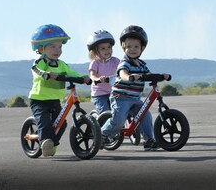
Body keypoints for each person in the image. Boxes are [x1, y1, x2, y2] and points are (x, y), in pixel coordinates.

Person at [101, 25, 170, 151]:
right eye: (128, 47)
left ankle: (149, 140)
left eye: (136, 47)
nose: (132, 49)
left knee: (145, 115)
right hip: (120, 98)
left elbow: (149, 75)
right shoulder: (125, 63)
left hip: (134, 99)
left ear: (142, 48)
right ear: (123, 48)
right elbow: (122, 73)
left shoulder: (142, 65)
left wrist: (162, 76)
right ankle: (103, 134)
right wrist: (128, 77)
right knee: (119, 120)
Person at [29, 24, 90, 157]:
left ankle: (50, 145)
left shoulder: (61, 64)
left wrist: (83, 78)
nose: (57, 50)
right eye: (53, 46)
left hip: (54, 100)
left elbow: (71, 72)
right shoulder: (40, 62)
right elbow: (36, 70)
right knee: (45, 122)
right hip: (39, 100)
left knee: (61, 124)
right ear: (41, 48)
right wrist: (46, 74)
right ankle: (46, 142)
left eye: (60, 46)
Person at [87, 30, 120, 114]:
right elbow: (92, 76)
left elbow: (123, 68)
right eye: (103, 48)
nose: (107, 50)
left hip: (113, 91)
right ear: (95, 51)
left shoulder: (115, 60)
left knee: (119, 111)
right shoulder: (95, 63)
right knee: (105, 112)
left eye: (109, 47)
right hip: (99, 94)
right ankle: (103, 125)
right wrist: (98, 79)